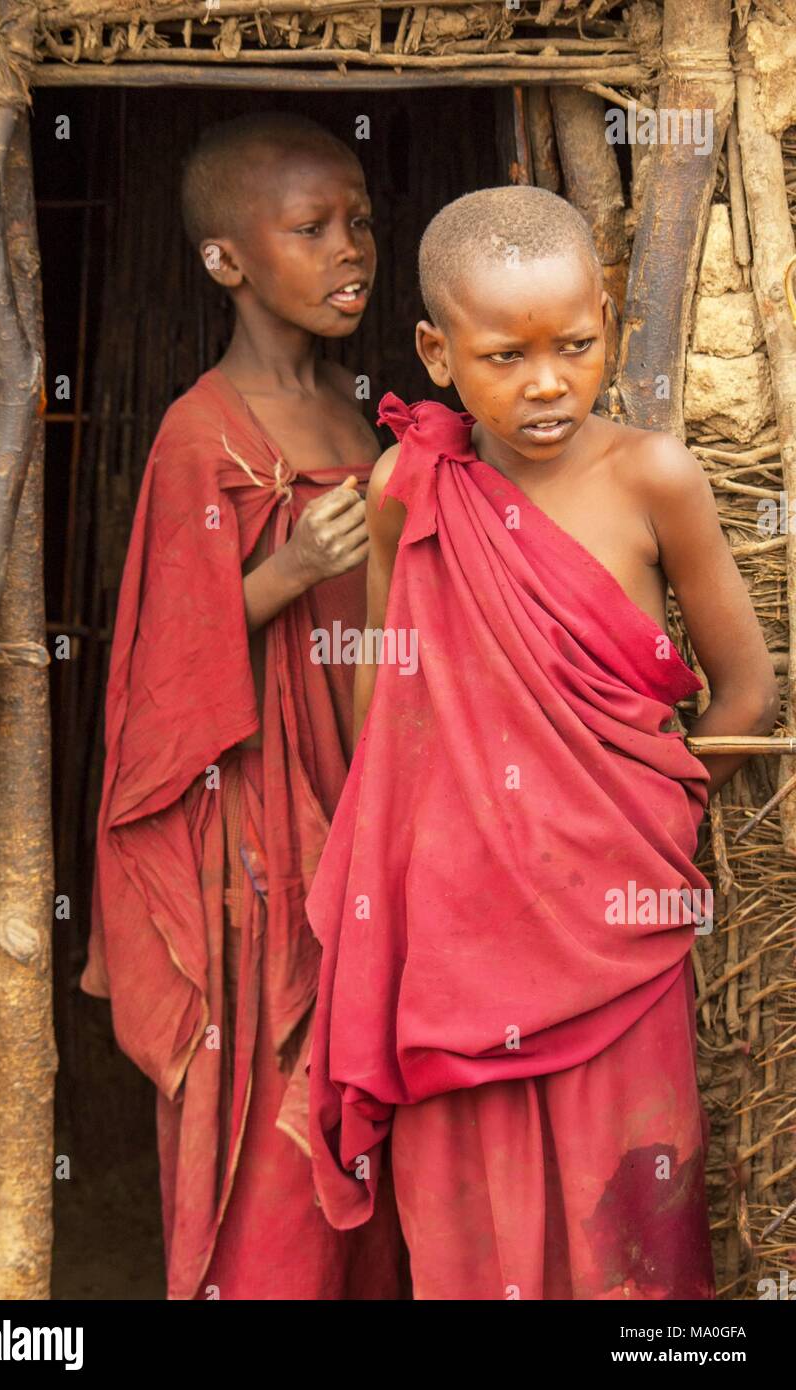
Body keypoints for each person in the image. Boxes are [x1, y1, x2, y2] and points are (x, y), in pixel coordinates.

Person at [306, 185, 779, 1300]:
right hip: (454, 936)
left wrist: (638, 819)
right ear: (435, 351)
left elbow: (746, 689)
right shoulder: (408, 487)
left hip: (616, 914)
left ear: (608, 319)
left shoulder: (654, 477)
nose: (548, 381)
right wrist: (407, 862)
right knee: (473, 1215)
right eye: (505, 355)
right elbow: (388, 695)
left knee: (636, 1212)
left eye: (574, 344)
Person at [81, 112, 404, 1300]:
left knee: (366, 1097)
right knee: (274, 1087)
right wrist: (284, 573)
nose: (351, 250)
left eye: (360, 221)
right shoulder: (197, 435)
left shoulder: (359, 418)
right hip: (255, 833)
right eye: (311, 229)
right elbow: (157, 678)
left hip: (359, 800)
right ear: (228, 260)